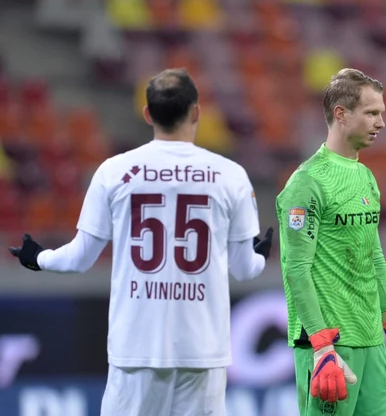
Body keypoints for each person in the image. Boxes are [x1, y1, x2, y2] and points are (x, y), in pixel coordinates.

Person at [9, 68, 274, 416]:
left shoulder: (114, 171)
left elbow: (80, 258)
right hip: (202, 349)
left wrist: (39, 258)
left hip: (136, 346)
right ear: (196, 111)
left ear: (147, 114)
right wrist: (259, 255)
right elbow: (243, 270)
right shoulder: (230, 175)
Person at [276, 68, 386, 416]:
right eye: (371, 113)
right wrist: (321, 346)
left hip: (371, 342)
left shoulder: (365, 176)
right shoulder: (306, 183)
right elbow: (296, 269)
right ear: (341, 114)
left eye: (381, 113)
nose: (381, 122)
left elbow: (375, 257)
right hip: (330, 346)